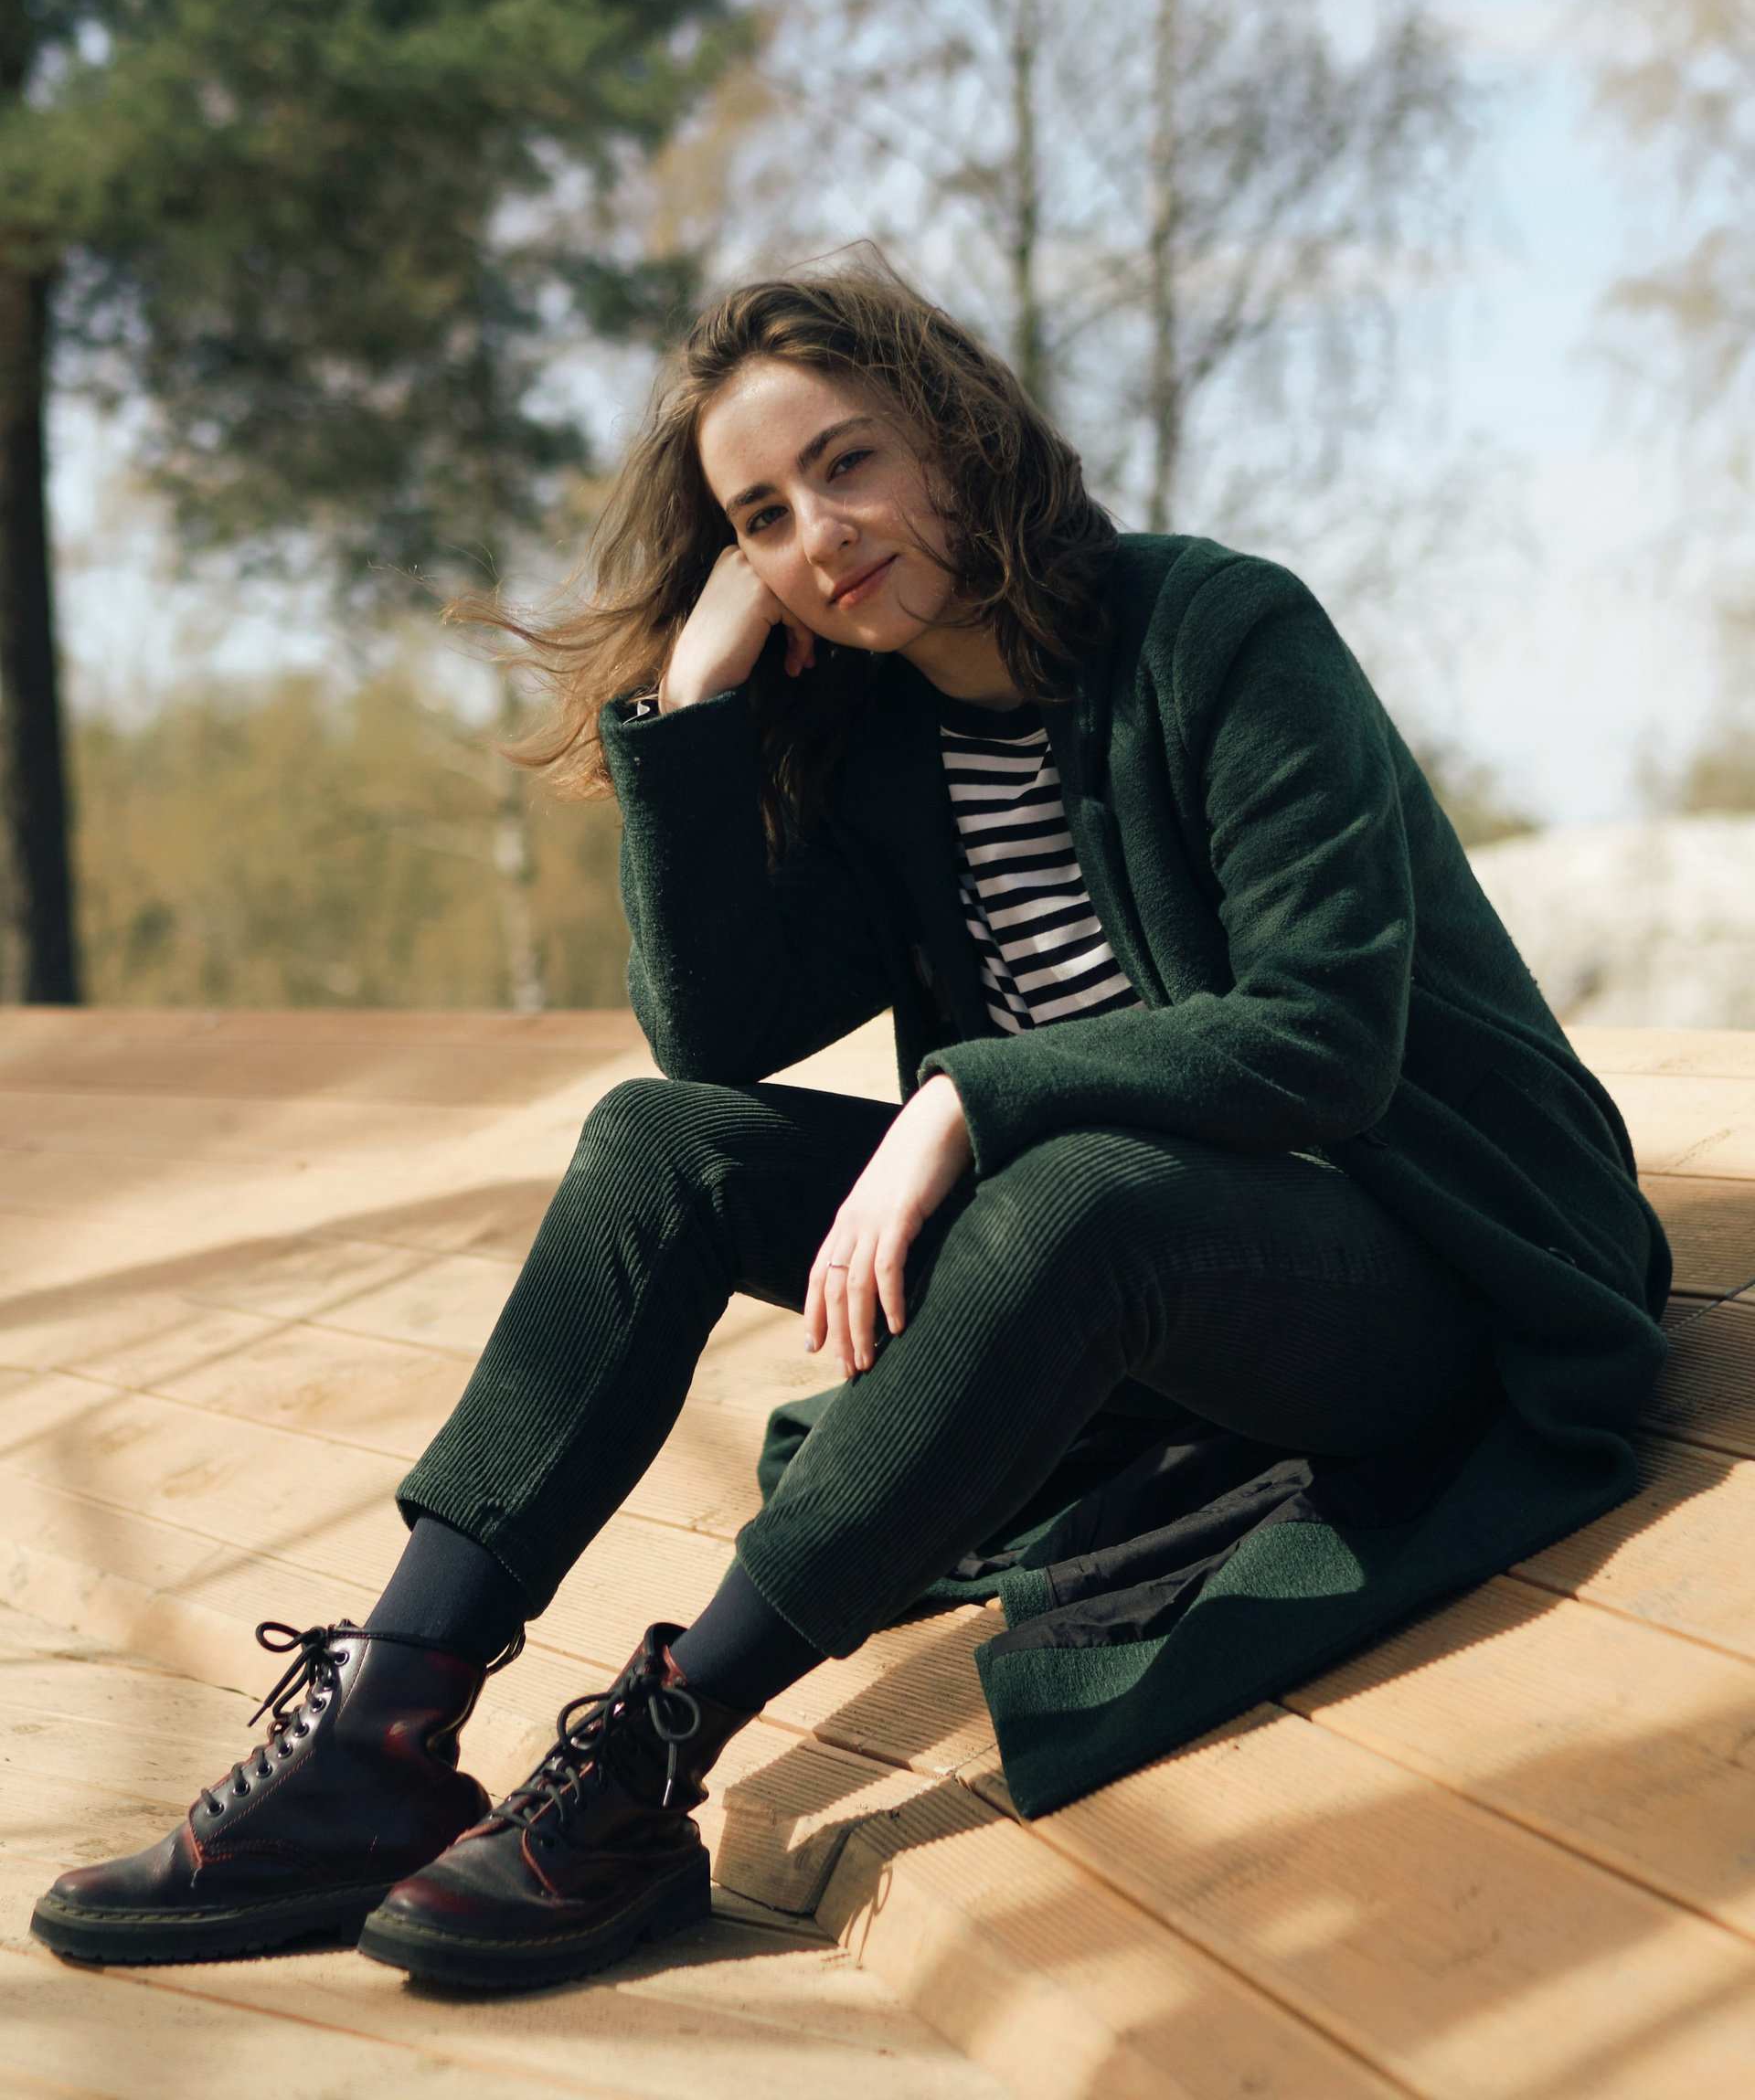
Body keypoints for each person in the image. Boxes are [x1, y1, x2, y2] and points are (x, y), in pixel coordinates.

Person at [31, 265, 1670, 1994]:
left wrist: (967, 1093)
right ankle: (380, 1732)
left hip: (1430, 1260)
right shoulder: (885, 739)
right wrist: (692, 712)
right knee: (660, 1144)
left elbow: (1324, 1039)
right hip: (1126, 1281)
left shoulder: (1221, 631)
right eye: (762, 515)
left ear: (955, 435)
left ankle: (653, 1752)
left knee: (1069, 1194)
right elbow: (717, 1037)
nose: (819, 533)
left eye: (847, 463)